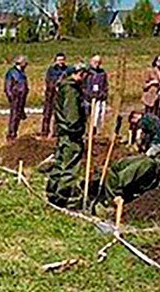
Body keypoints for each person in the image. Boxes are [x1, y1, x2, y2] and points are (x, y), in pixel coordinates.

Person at [46, 64, 92, 210]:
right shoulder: (71, 91)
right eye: (85, 74)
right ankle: (61, 199)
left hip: (63, 133)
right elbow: (72, 116)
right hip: (71, 135)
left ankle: (52, 194)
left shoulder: (65, 87)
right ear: (80, 74)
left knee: (60, 163)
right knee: (69, 167)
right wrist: (77, 132)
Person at [41, 53, 67, 138]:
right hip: (50, 94)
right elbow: (48, 81)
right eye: (59, 60)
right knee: (47, 114)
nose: (61, 62)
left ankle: (56, 132)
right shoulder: (51, 70)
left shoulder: (66, 70)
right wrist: (54, 85)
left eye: (62, 60)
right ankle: (45, 131)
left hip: (61, 95)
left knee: (58, 114)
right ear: (55, 61)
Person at [4, 56, 29, 141]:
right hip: (16, 97)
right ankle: (11, 134)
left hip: (22, 97)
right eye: (25, 62)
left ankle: (15, 132)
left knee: (19, 115)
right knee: (14, 116)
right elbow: (8, 86)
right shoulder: (12, 72)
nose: (26, 64)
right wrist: (11, 97)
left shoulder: (22, 72)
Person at [84, 55, 109, 133]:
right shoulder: (87, 73)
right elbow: (83, 85)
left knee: (99, 113)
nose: (97, 64)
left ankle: (97, 129)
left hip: (99, 97)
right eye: (95, 62)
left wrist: (103, 94)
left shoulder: (102, 73)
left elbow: (105, 85)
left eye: (98, 62)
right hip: (88, 97)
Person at [142, 54, 160, 119]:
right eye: (159, 60)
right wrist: (152, 83)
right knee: (149, 115)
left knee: (159, 115)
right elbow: (144, 86)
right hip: (151, 96)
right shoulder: (150, 71)